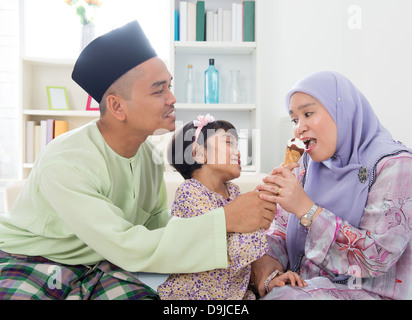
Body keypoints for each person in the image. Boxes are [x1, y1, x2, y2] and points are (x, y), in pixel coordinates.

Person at [0, 21, 277, 300]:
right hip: (33, 258)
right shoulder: (65, 162)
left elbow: (160, 229)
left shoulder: (149, 158)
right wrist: (226, 219)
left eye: (170, 86)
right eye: (159, 90)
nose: (172, 98)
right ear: (117, 106)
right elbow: (126, 245)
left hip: (102, 263)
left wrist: (255, 257)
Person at [253, 71, 412, 300]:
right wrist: (268, 269)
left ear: (342, 112)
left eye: (308, 114)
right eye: (295, 120)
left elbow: (376, 259)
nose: (299, 128)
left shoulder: (396, 164)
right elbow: (279, 230)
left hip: (367, 292)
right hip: (303, 286)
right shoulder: (308, 164)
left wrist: (306, 209)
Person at [157, 115, 304, 299]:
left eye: (237, 145)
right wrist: (259, 208)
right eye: (229, 143)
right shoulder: (190, 192)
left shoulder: (233, 192)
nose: (238, 152)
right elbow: (232, 248)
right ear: (198, 153)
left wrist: (270, 280)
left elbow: (249, 260)